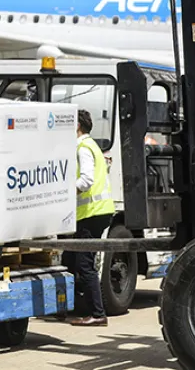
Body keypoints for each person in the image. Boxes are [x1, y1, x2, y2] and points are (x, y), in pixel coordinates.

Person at [63, 108, 115, 327]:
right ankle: (68, 307)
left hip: (92, 213)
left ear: (76, 126)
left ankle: (97, 314)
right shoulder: (92, 145)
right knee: (68, 259)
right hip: (96, 212)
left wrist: (62, 194)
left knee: (85, 265)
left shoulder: (83, 148)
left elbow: (85, 181)